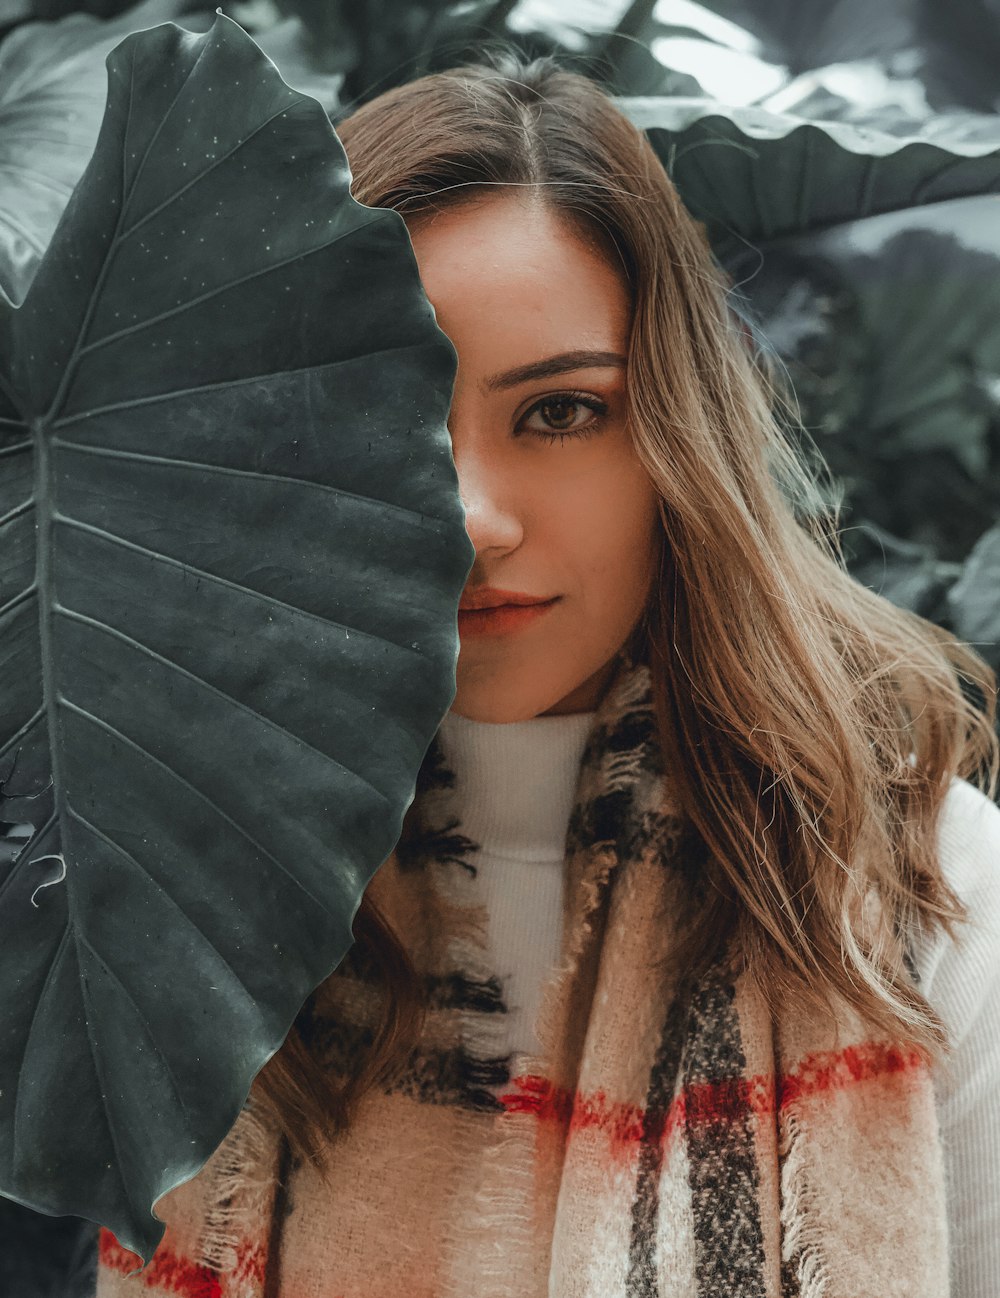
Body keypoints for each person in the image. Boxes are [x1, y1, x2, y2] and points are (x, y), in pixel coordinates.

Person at [94, 51, 1000, 1298]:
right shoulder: (174, 890)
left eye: (561, 412)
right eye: (387, 418)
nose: (472, 517)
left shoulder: (919, 891)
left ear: (676, 435)